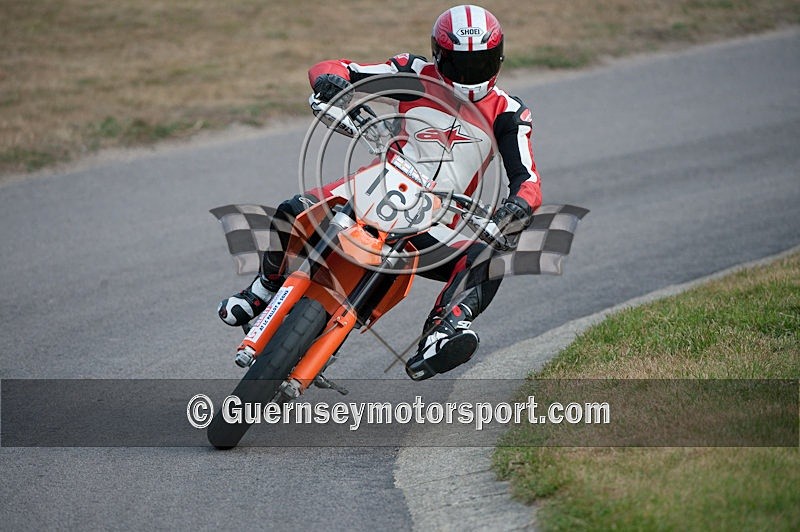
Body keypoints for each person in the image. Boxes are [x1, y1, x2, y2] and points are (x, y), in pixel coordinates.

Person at [217, 4, 542, 380]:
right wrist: (332, 81)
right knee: (294, 210)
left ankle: (443, 329)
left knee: (491, 255)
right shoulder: (413, 72)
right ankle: (264, 288)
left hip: (435, 223)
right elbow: (336, 68)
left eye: (480, 62)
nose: (470, 75)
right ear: (439, 56)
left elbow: (528, 179)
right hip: (378, 185)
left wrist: (517, 206)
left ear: (498, 58)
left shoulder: (509, 112)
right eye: (459, 63)